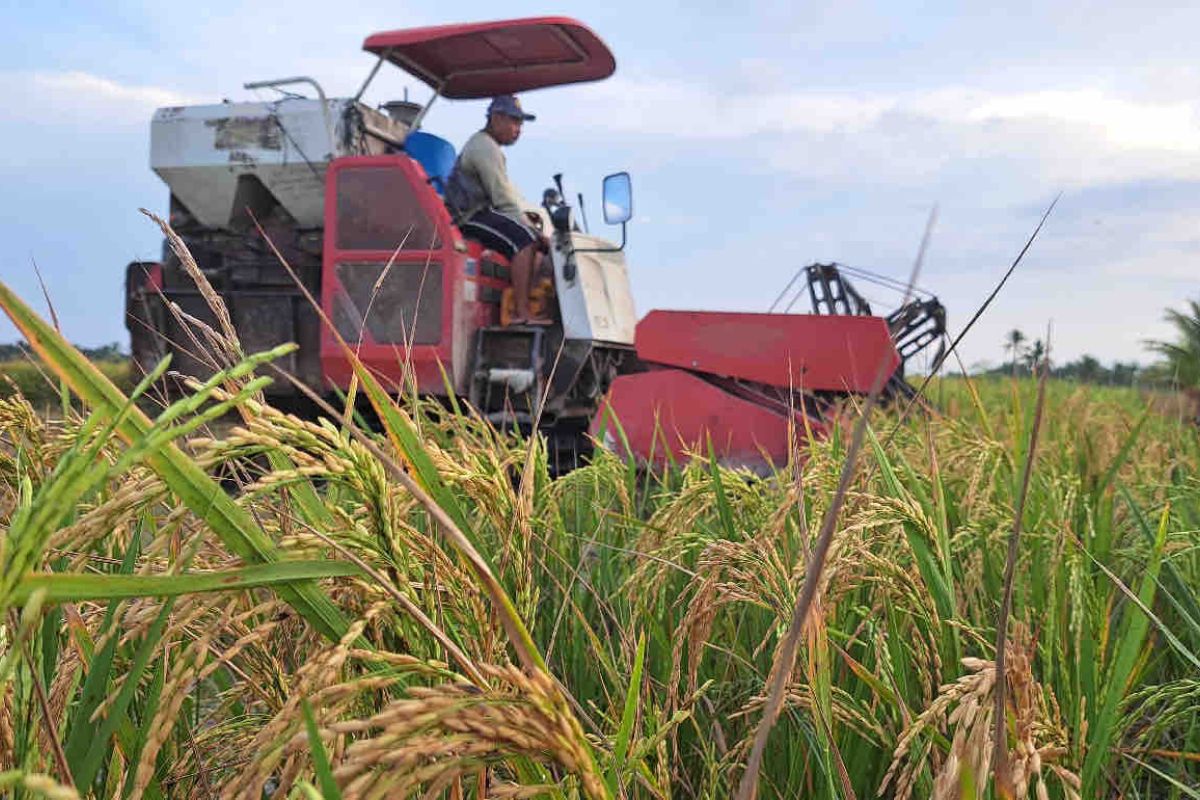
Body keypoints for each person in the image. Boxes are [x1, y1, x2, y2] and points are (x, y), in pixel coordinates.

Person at [444, 95, 550, 325]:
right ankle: (521, 313)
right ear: (496, 118)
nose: (518, 129)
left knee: (535, 249)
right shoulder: (483, 146)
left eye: (520, 123)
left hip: (480, 212)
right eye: (514, 121)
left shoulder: (490, 147)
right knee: (526, 242)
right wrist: (532, 230)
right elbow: (503, 198)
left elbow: (507, 197)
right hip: (468, 216)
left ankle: (520, 304)